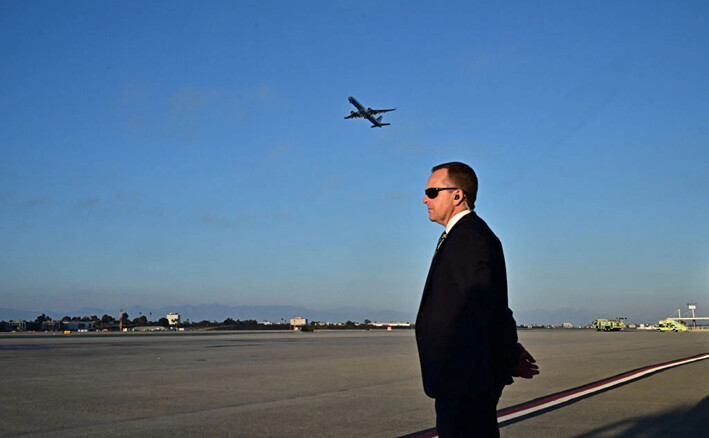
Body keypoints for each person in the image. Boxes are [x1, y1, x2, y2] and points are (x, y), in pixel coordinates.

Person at [415, 162, 539, 437]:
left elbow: (487, 305)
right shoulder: (463, 236)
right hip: (460, 379)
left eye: (432, 191)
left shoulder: (468, 237)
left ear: (457, 195)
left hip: (465, 380)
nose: (425, 198)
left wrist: (510, 354)